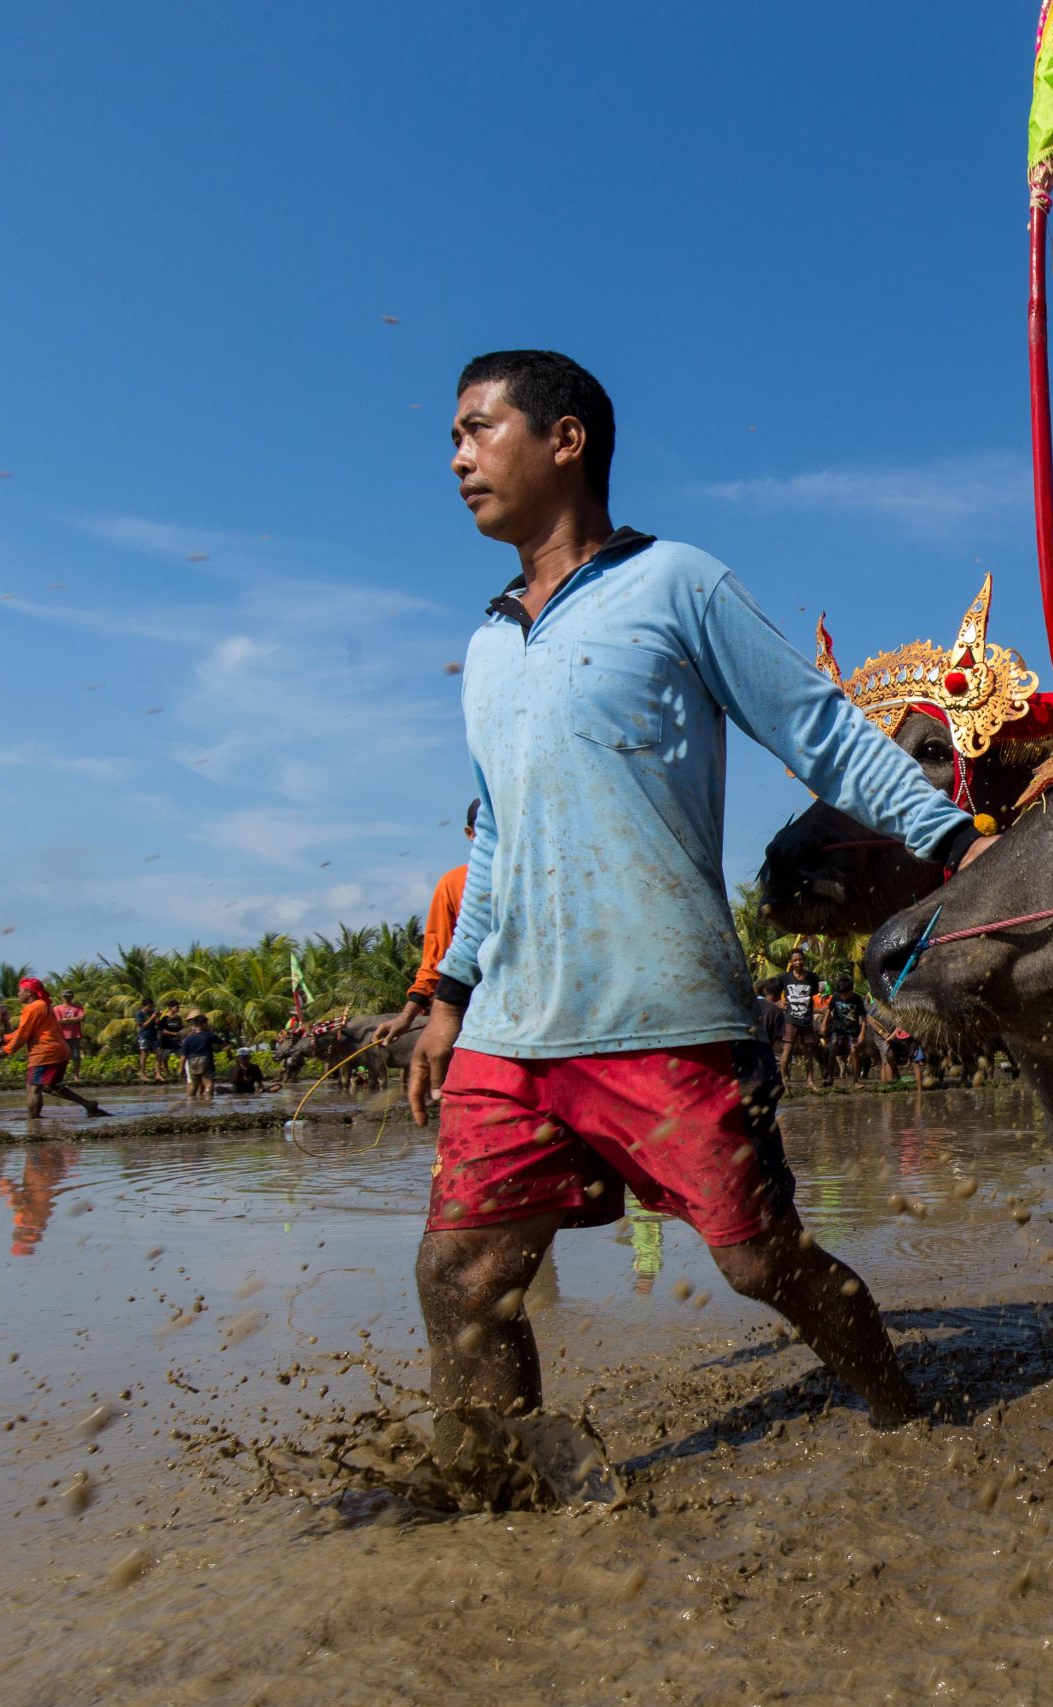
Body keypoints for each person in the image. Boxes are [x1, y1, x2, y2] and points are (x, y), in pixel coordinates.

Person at [406, 348, 990, 1431]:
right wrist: (448, 998)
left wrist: (954, 843)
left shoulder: (677, 584)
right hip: (510, 1030)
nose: (456, 460)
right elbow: (496, 837)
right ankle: (488, 1496)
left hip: (660, 1012)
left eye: (478, 430)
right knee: (458, 1277)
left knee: (760, 1265)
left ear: (565, 438)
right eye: (454, 438)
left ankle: (909, 1420)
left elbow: (816, 734)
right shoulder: (487, 642)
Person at [373, 802, 478, 1047]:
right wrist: (408, 1015)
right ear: (469, 833)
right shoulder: (453, 884)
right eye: (484, 827)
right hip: (470, 1014)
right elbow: (436, 957)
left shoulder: (537, 878)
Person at [0, 976, 111, 1120]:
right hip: (57, 1051)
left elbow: (23, 1033)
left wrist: (6, 1050)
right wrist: (3, 1039)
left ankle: (33, 1123)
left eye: (19, 991)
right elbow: (26, 1030)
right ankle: (88, 1104)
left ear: (29, 992)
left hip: (45, 1053)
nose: (17, 994)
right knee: (49, 1086)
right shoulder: (42, 1005)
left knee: (33, 1088)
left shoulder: (33, 1007)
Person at [764, 950, 826, 1091]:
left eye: (800, 959)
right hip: (790, 1019)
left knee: (809, 1050)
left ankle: (809, 1081)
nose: (798, 962)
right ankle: (783, 1081)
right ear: (791, 963)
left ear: (804, 960)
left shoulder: (812, 978)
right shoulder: (784, 978)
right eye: (795, 960)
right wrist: (778, 1003)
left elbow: (815, 995)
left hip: (806, 1019)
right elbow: (770, 989)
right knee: (787, 1049)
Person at [825, 975, 867, 1083]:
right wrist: (824, 1024)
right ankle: (830, 1077)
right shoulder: (835, 997)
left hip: (853, 1031)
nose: (844, 996)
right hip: (838, 1030)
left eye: (846, 993)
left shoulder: (857, 999)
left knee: (854, 1050)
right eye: (842, 994)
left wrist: (862, 1033)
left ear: (851, 990)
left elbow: (863, 1018)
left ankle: (856, 1080)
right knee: (833, 1046)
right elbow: (829, 1010)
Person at [179, 1012, 218, 1102]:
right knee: (208, 1083)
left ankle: (190, 1102)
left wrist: (181, 1068)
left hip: (192, 1062)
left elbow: (183, 1055)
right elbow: (223, 1043)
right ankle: (208, 1102)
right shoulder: (208, 1035)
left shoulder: (188, 1038)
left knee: (193, 1084)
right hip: (205, 1061)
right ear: (204, 1024)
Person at [133, 999, 161, 1080]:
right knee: (144, 1054)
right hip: (144, 1036)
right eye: (149, 1006)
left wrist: (157, 1017)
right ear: (144, 1006)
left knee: (159, 1054)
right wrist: (152, 1017)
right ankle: (142, 1074)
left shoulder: (152, 1013)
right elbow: (143, 1026)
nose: (151, 1008)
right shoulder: (140, 1014)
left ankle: (158, 1074)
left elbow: (156, 1023)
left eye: (152, 1006)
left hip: (153, 1036)